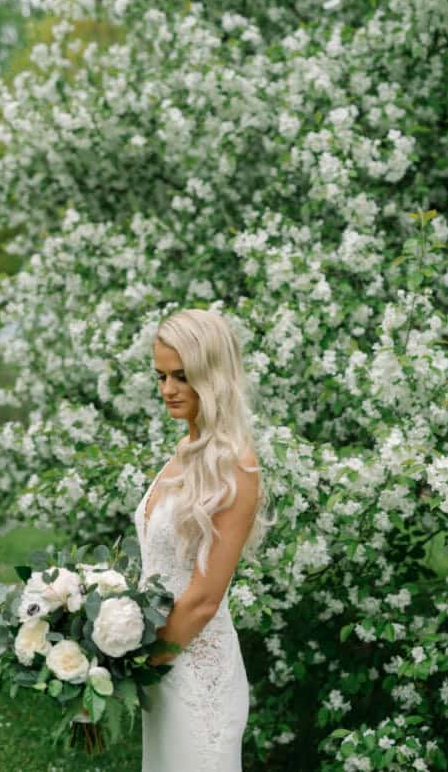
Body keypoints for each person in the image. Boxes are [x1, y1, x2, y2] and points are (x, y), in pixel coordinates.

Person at [134, 308, 275, 772]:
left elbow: (204, 599)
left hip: (195, 669)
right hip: (161, 662)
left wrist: (133, 665)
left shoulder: (236, 463)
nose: (167, 390)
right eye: (160, 376)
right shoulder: (183, 451)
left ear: (211, 375)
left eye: (181, 376)